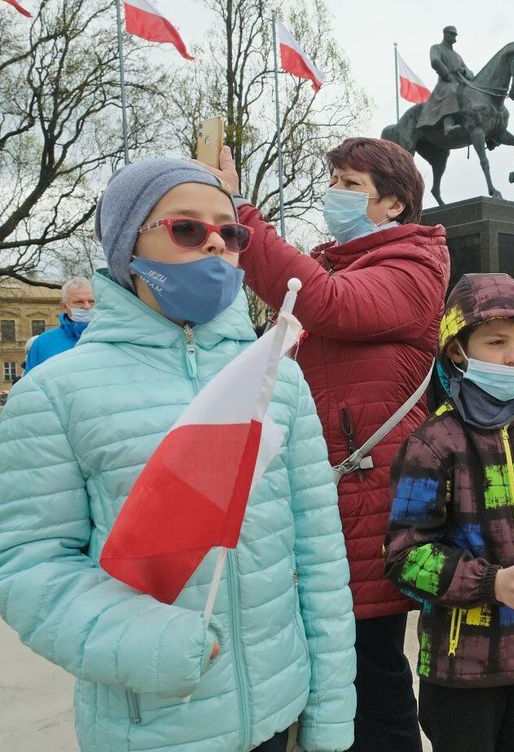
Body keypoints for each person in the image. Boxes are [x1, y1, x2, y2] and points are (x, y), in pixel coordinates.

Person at [0, 159, 355, 752]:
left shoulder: (276, 380)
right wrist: (145, 642)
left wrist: (331, 712)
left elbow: (318, 557)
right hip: (151, 726)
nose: (217, 241)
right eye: (188, 229)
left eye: (231, 231)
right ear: (126, 245)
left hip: (280, 713)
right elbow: (30, 566)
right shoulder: (56, 392)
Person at [213, 137, 450, 749]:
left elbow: (329, 303)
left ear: (394, 203)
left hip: (367, 501)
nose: (333, 193)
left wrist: (241, 216)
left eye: (350, 184)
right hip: (318, 497)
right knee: (323, 667)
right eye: (335, 179)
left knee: (372, 670)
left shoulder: (412, 268)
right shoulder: (335, 260)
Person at [385, 273, 514, 752]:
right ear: (458, 350)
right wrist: (491, 583)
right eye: (496, 342)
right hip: (463, 670)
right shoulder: (432, 443)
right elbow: (403, 556)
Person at [23, 276, 96, 373]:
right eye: (79, 302)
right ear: (64, 306)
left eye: (92, 301)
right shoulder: (42, 343)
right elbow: (29, 386)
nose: (87, 306)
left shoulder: (109, 337)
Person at [419, 25, 475, 138]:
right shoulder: (436, 48)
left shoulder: (458, 56)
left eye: (455, 34)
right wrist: (447, 74)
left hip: (461, 83)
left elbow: (471, 73)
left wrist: (463, 71)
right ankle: (448, 125)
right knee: (452, 90)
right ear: (445, 34)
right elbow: (435, 61)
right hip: (446, 84)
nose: (454, 36)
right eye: (451, 34)